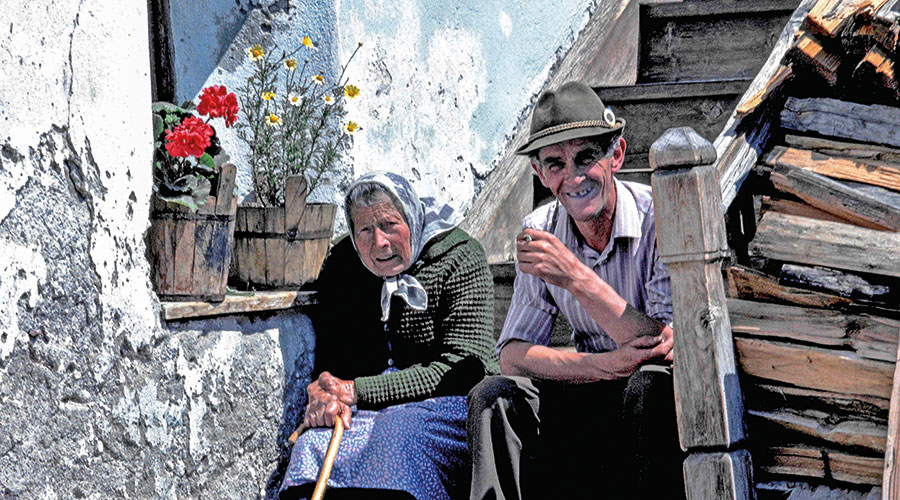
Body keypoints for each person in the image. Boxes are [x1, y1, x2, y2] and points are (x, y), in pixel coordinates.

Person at [467, 81, 685, 500]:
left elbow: (662, 345)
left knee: (649, 386)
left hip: (651, 396)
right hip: (590, 385)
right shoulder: (539, 231)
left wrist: (574, 276)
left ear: (616, 155)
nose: (574, 177)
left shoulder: (658, 217)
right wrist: (604, 365)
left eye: (586, 157)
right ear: (540, 174)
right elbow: (513, 356)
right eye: (555, 164)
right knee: (493, 396)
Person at [280, 171, 500, 500]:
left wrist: (357, 391)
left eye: (390, 225)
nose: (379, 243)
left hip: (449, 404)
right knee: (313, 443)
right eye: (365, 230)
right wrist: (326, 392)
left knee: (396, 437)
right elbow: (335, 354)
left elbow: (464, 369)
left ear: (411, 217)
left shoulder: (459, 257)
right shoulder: (345, 262)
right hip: (369, 407)